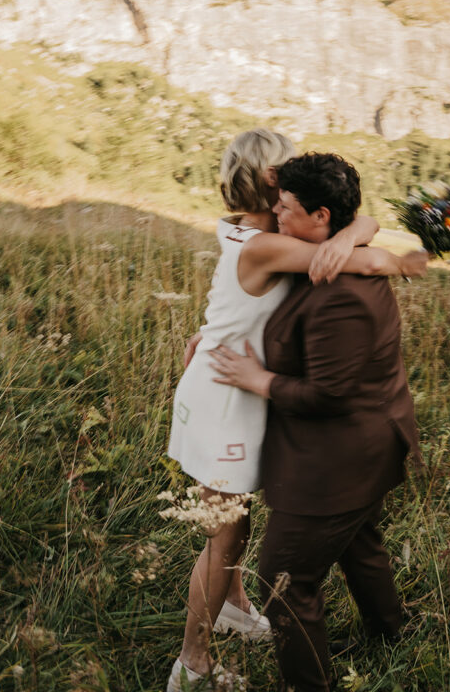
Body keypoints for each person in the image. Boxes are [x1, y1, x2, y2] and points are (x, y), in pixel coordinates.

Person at [166, 131, 425, 691]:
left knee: (234, 524)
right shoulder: (268, 243)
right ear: (269, 182)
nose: (292, 181)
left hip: (223, 381)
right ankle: (192, 665)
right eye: (286, 175)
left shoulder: (253, 226)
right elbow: (372, 258)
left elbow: (354, 227)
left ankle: (233, 606)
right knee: (224, 536)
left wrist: (351, 227)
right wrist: (388, 255)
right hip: (225, 394)